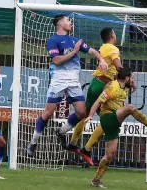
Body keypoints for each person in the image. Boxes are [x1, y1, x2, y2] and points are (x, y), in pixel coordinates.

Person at [26, 14, 108, 156]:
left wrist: (101, 60)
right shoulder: (53, 40)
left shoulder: (74, 40)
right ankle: (33, 142)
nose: (71, 23)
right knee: (48, 113)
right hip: (58, 80)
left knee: (82, 112)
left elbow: (93, 51)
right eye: (68, 20)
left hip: (73, 81)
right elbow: (57, 60)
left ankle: (61, 132)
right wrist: (74, 52)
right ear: (59, 23)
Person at [89, 67, 147, 188]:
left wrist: (133, 85)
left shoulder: (124, 87)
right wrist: (91, 115)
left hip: (114, 121)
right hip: (107, 117)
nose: (133, 80)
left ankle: (96, 180)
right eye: (132, 77)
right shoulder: (111, 87)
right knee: (130, 108)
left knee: (110, 154)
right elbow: (98, 102)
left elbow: (125, 93)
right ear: (126, 78)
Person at [66, 27, 125, 166]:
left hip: (95, 83)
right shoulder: (113, 48)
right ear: (112, 35)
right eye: (115, 33)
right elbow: (119, 68)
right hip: (103, 86)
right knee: (109, 119)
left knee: (86, 114)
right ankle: (86, 149)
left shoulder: (104, 47)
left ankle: (73, 142)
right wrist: (129, 78)